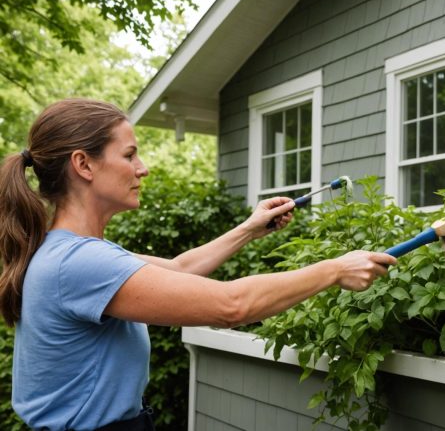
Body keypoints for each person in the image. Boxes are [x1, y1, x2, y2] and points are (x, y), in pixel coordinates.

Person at [0, 98, 397, 431]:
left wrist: (248, 229)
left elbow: (178, 270)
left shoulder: (73, 252)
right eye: (129, 154)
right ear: (84, 165)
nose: (143, 168)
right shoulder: (79, 262)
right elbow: (232, 305)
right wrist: (334, 269)